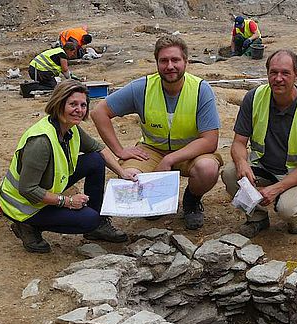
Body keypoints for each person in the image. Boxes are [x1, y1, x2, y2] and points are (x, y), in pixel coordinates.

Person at [91, 35, 222, 230]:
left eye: (175, 60)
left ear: (186, 62)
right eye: (164, 61)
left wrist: (170, 159)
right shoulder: (142, 88)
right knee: (129, 176)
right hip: (152, 150)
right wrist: (119, 151)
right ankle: (156, 201)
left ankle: (192, 201)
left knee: (208, 169)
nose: (170, 66)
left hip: (191, 153)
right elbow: (99, 112)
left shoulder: (200, 90)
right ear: (157, 63)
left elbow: (210, 140)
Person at [0, 80, 135, 253]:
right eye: (73, 104)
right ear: (59, 104)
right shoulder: (41, 142)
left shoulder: (70, 128)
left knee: (95, 160)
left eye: (83, 105)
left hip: (43, 189)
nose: (79, 110)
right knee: (89, 220)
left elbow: (99, 149)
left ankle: (97, 226)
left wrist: (122, 173)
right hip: (23, 205)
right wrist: (67, 201)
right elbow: (28, 189)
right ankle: (28, 225)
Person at [221, 49, 297, 238]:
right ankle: (257, 218)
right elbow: (238, 142)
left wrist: (277, 189)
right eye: (273, 72)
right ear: (267, 73)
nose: (278, 78)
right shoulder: (254, 98)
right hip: (263, 166)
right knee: (230, 173)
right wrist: (242, 162)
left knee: (288, 209)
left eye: (285, 73)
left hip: (294, 173)